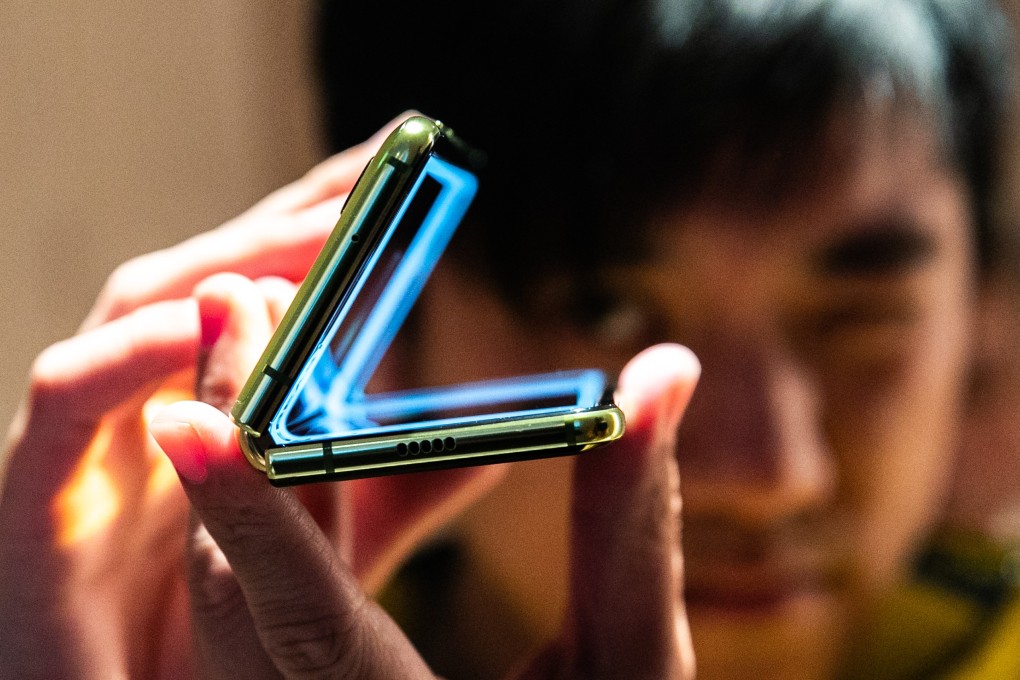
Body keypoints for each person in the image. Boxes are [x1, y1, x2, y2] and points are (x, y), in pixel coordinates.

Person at [0, 2, 1015, 680]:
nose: (769, 472)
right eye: (606, 305)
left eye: (861, 320)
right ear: (390, 311)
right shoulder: (196, 645)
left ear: (983, 313)